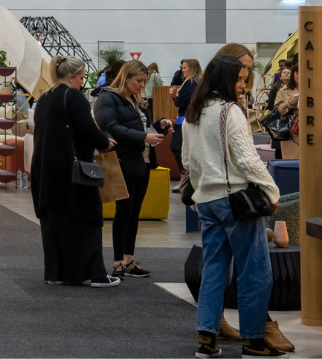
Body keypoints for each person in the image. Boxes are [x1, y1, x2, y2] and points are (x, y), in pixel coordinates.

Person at [184, 55, 284, 359]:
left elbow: (189, 162)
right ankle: (254, 341)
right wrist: (271, 190)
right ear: (224, 79)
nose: (243, 86)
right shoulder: (231, 111)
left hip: (208, 202)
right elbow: (247, 158)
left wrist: (202, 189)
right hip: (236, 201)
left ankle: (207, 338)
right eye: (239, 79)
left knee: (214, 270)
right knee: (254, 271)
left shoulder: (195, 112)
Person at [31, 56, 119, 288]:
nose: (82, 82)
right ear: (70, 77)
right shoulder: (73, 96)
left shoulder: (44, 98)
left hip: (45, 169)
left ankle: (57, 273)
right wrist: (105, 142)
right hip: (73, 170)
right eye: (81, 77)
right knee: (88, 218)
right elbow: (87, 128)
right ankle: (95, 274)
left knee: (55, 221)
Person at [94, 60, 172, 279]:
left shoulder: (133, 99)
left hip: (141, 161)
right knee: (124, 211)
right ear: (125, 77)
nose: (142, 85)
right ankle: (118, 261)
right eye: (139, 80)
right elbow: (110, 126)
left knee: (134, 212)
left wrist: (158, 126)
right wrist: (144, 136)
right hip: (124, 160)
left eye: (144, 81)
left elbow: (138, 128)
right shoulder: (107, 97)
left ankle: (128, 260)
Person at [170, 58, 202, 171]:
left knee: (177, 146)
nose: (182, 70)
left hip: (184, 117)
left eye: (184, 68)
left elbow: (179, 103)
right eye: (182, 68)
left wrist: (175, 95)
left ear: (192, 68)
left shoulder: (190, 83)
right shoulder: (197, 82)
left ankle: (185, 174)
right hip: (186, 117)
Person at [274, 64, 299, 160]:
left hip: (310, 128)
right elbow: (277, 109)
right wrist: (289, 103)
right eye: (297, 72)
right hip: (291, 130)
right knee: (291, 160)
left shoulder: (314, 89)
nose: (299, 75)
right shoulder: (283, 90)